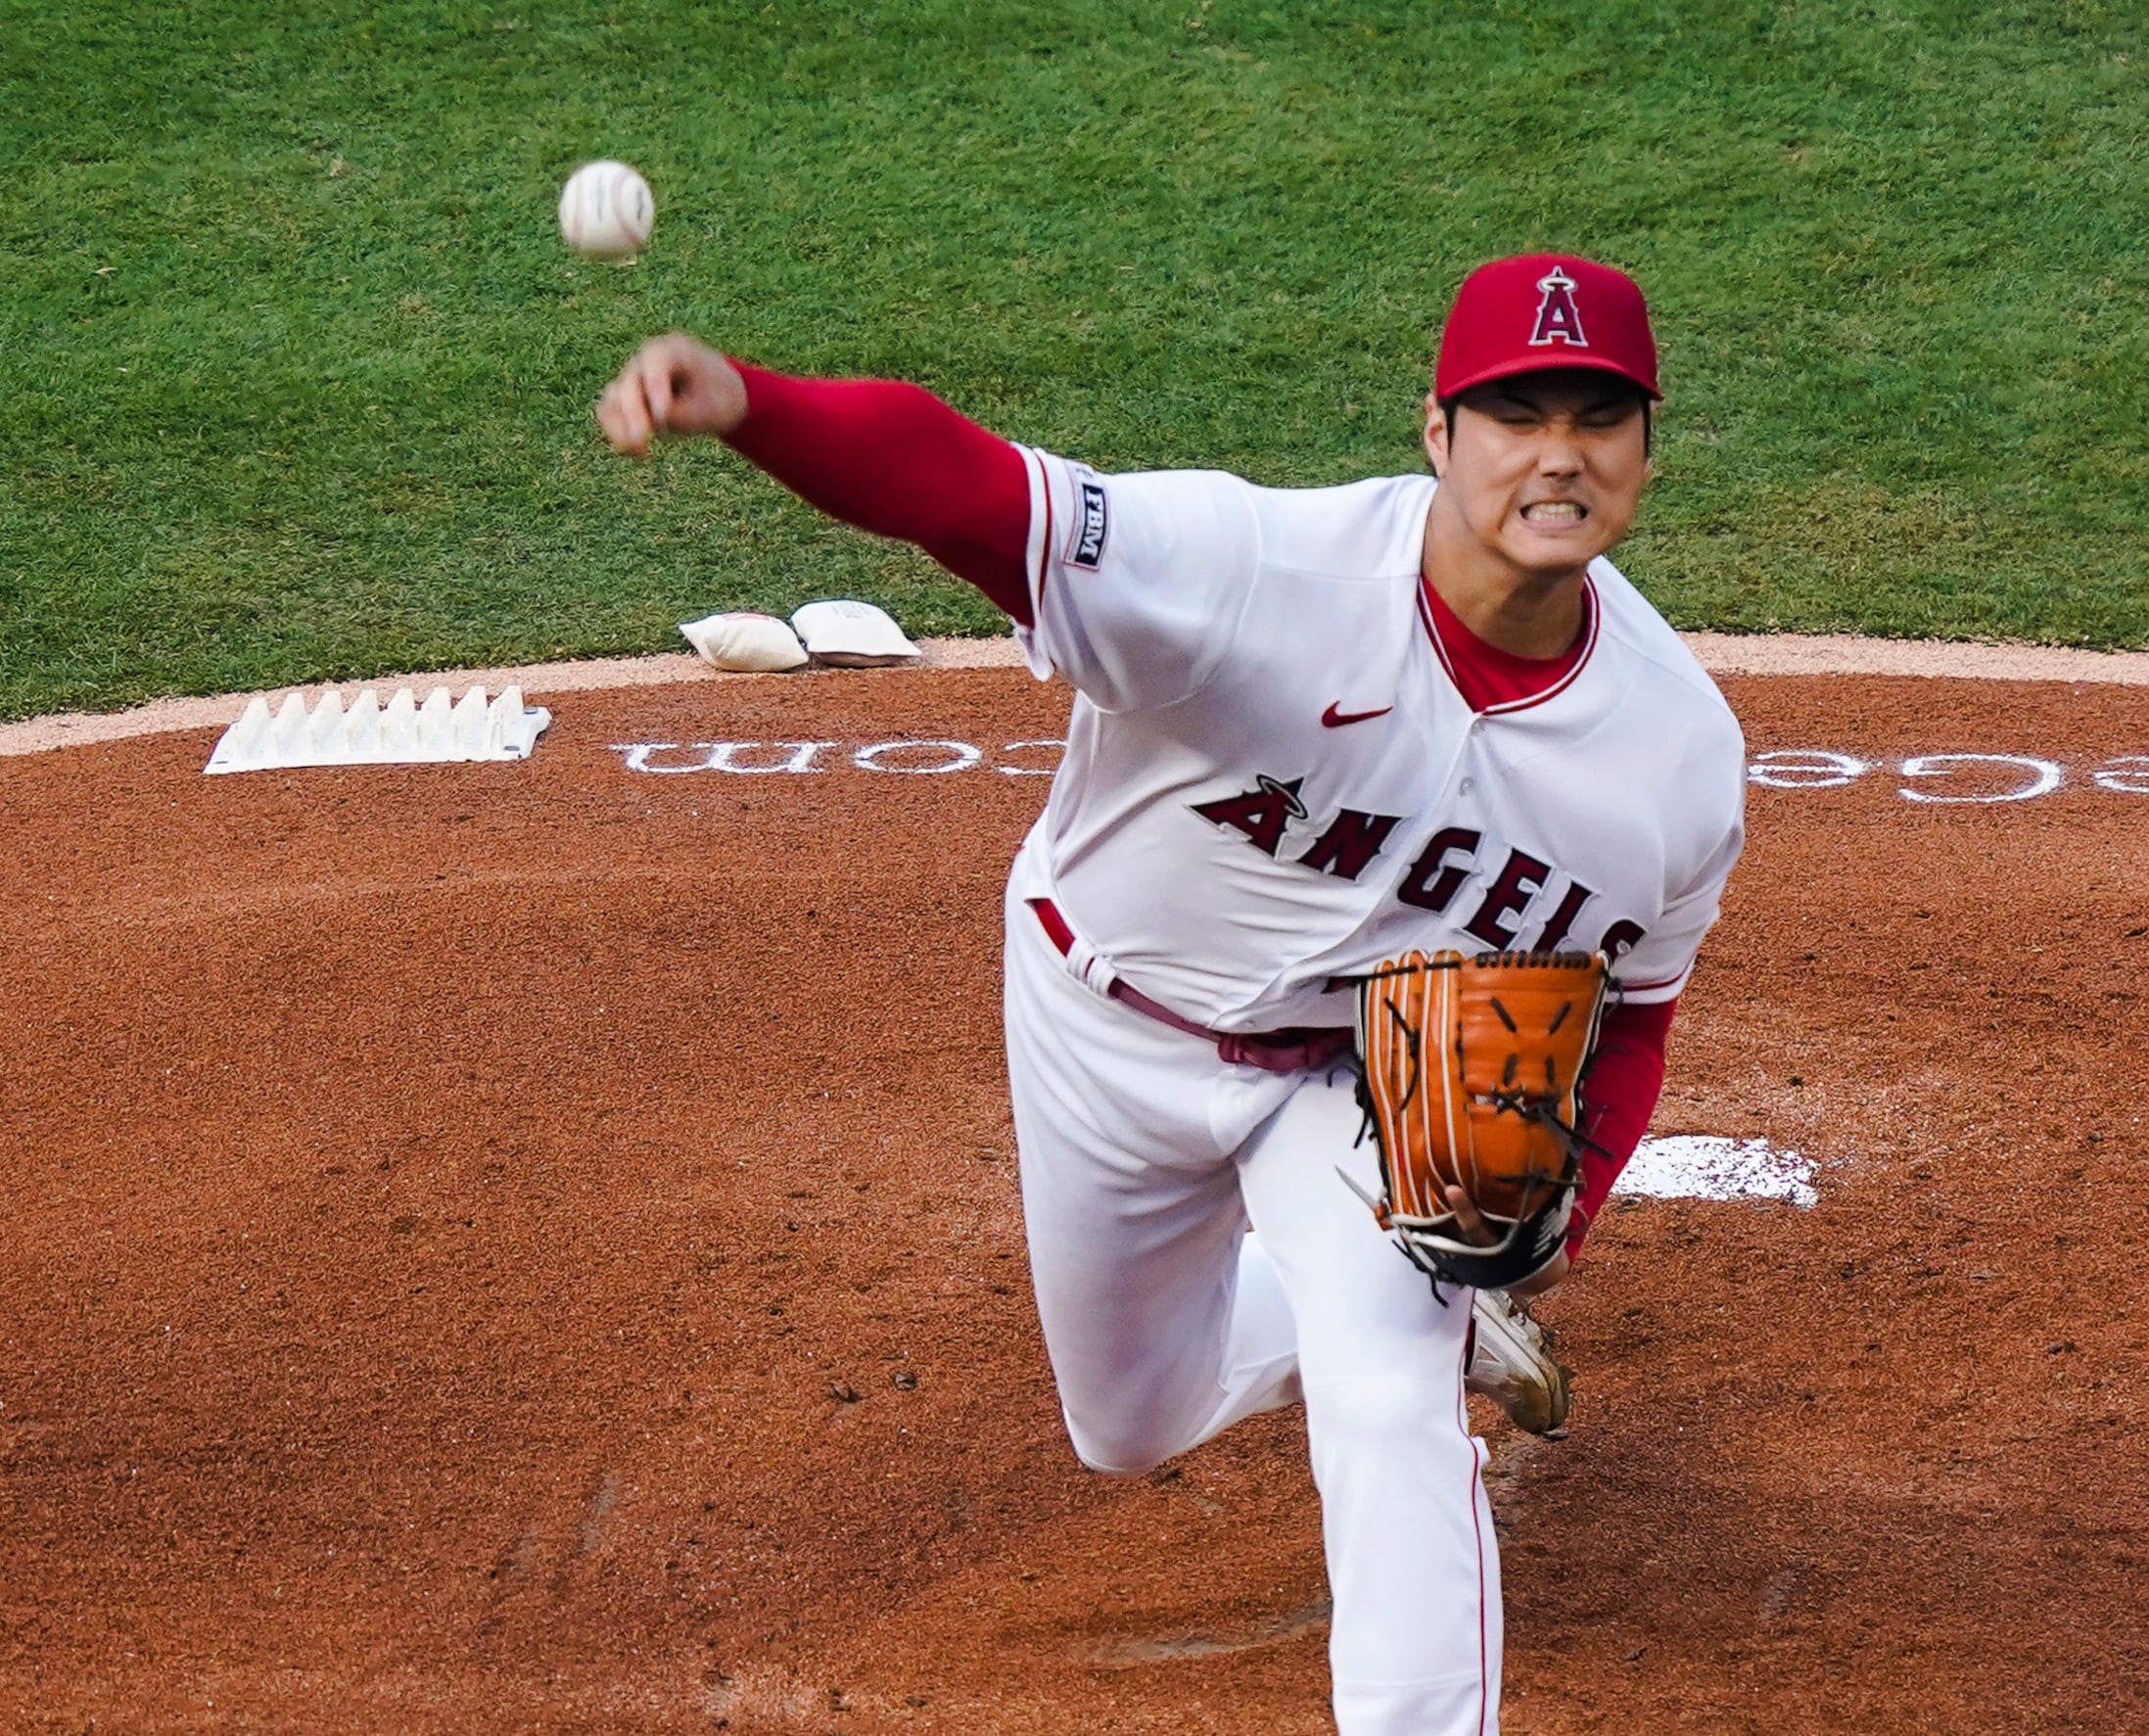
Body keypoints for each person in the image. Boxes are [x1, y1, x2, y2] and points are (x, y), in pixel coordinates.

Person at [595, 255, 1746, 1736]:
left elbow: (1635, 1010)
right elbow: (969, 488)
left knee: (1389, 1399)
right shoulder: (1253, 571)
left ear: (1646, 447)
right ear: (1438, 432)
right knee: (1128, 1419)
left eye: (1599, 417)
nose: (1559, 454)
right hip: (1102, 1017)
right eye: (1516, 414)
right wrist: (751, 405)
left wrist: (1559, 1226)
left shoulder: (1674, 756)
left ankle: (1421, 1355)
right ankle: (1430, 1322)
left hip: (1352, 1074)